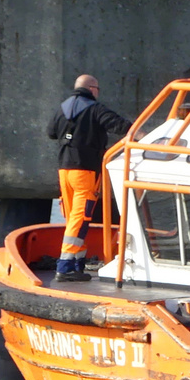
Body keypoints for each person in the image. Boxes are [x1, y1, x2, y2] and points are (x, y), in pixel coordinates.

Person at [46, 74, 132, 282]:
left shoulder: (62, 108)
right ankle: (65, 267)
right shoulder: (95, 108)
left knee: (71, 216)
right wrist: (141, 133)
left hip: (64, 170)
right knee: (80, 217)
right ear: (93, 89)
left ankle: (77, 264)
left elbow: (51, 132)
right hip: (85, 171)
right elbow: (120, 126)